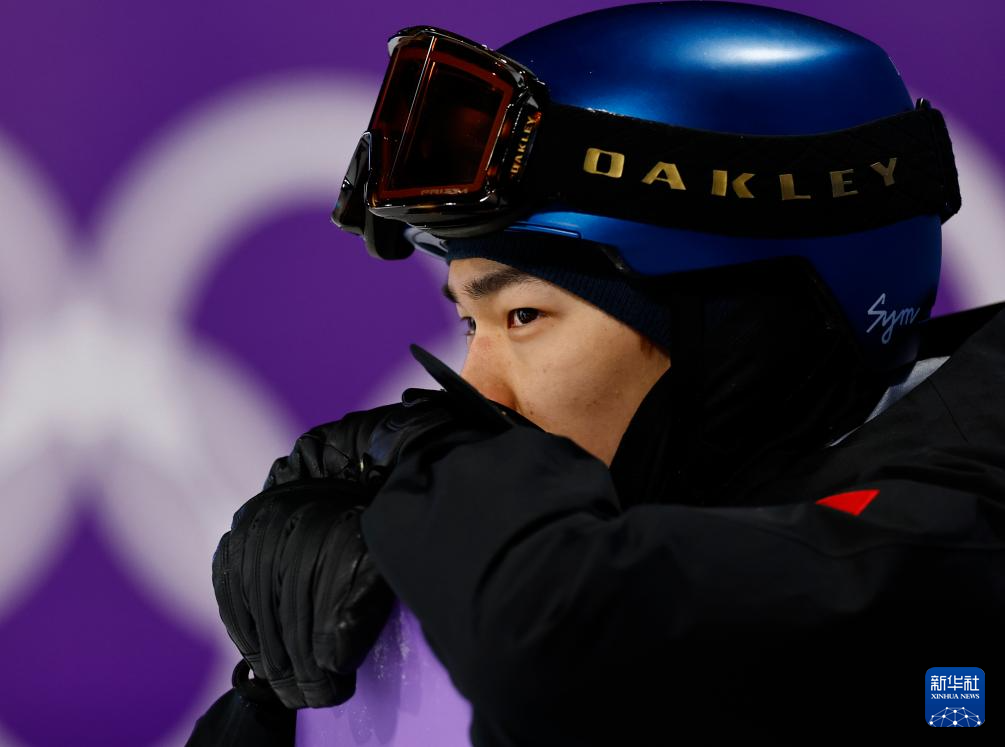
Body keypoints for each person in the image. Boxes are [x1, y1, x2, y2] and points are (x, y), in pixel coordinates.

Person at [188, 2, 1005, 744]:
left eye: (523, 316)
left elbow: (558, 650)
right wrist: (282, 696)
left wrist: (420, 472)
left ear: (740, 324)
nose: (478, 388)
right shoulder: (634, 527)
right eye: (469, 323)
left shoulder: (961, 527)